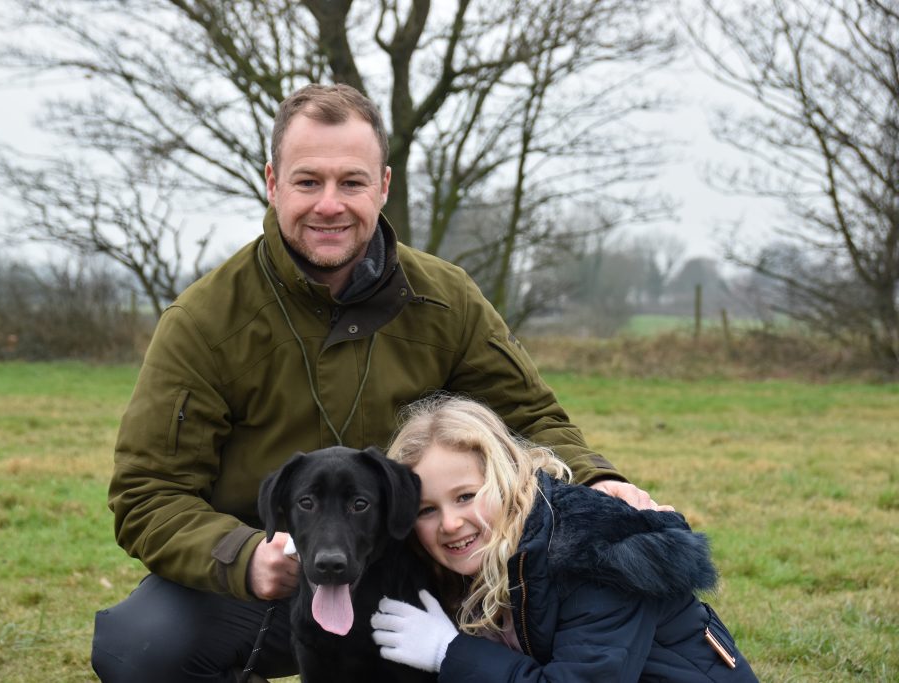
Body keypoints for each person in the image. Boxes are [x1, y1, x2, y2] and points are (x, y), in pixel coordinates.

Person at [91, 83, 662, 683]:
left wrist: (602, 479)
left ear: (383, 186)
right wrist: (244, 557)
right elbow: (147, 493)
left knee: (561, 604)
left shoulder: (447, 300)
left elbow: (532, 422)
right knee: (139, 646)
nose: (330, 205)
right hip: (278, 584)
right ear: (272, 182)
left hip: (432, 574)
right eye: (308, 181)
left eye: (352, 183)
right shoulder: (204, 322)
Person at [370, 394, 758, 682]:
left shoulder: (595, 550)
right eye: (426, 509)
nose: (450, 523)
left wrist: (448, 651)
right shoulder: (452, 562)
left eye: (466, 496)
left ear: (506, 481)